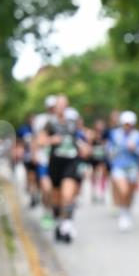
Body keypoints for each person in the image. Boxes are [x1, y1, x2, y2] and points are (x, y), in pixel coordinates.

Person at [44, 102, 90, 243]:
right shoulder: (50, 124)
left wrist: (84, 149)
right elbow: (39, 140)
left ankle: (67, 223)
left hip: (71, 164)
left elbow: (87, 149)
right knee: (57, 199)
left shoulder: (76, 130)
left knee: (67, 195)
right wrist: (52, 140)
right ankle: (60, 221)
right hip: (55, 164)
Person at [109, 110, 139, 231]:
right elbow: (109, 149)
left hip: (132, 167)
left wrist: (135, 149)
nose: (127, 126)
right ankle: (122, 213)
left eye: (129, 124)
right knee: (123, 190)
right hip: (118, 166)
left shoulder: (138, 136)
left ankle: (126, 211)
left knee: (130, 193)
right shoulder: (115, 134)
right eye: (126, 124)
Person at [33, 96, 59, 229]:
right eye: (51, 106)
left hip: (58, 161)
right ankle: (47, 212)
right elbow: (36, 139)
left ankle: (56, 212)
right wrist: (34, 154)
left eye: (55, 106)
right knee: (46, 188)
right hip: (44, 160)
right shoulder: (40, 120)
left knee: (56, 191)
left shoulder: (62, 119)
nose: (53, 109)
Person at [15, 113, 41, 207]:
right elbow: (18, 141)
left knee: (39, 178)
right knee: (30, 176)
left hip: (40, 157)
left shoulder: (39, 129)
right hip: (28, 157)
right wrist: (18, 151)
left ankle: (37, 192)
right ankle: (32, 195)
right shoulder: (23, 130)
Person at [88, 118, 109, 204]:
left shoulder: (106, 135)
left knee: (103, 174)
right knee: (94, 174)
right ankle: (94, 191)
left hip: (103, 157)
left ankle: (102, 193)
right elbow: (89, 145)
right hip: (94, 157)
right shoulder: (92, 135)